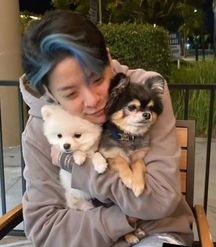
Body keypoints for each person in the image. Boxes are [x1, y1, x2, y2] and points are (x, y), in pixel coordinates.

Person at [20, 10, 194, 247]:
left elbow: (160, 201)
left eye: (97, 79)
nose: (92, 100)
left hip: (157, 234)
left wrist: (78, 168)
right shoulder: (42, 129)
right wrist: (124, 218)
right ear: (50, 93)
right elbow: (44, 229)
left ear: (108, 60)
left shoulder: (144, 93)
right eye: (71, 93)